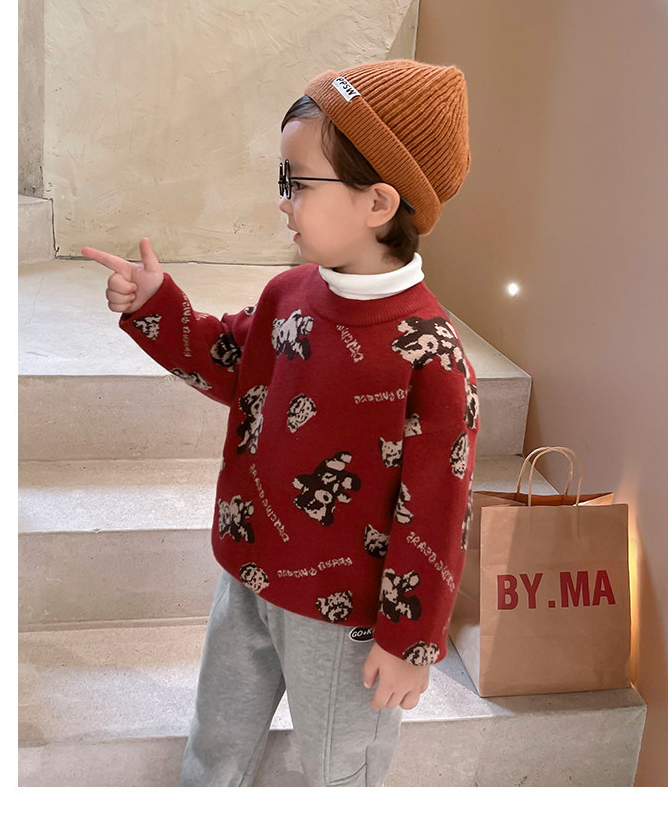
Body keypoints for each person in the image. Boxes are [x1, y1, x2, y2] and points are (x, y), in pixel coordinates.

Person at [82, 58, 479, 787]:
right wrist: (156, 304)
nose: (283, 202)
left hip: (347, 618)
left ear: (378, 202)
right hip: (249, 575)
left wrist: (411, 640)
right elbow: (228, 361)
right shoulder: (287, 295)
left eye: (297, 182)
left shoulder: (430, 357)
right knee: (216, 743)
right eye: (283, 179)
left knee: (338, 770)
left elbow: (437, 509)